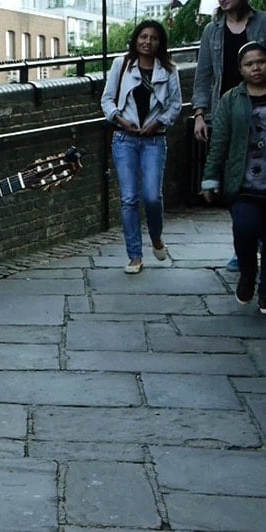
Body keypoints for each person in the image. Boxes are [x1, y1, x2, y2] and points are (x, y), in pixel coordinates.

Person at [101, 20, 182, 274]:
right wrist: (120, 119)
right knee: (128, 198)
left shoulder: (169, 69)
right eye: (143, 37)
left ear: (161, 42)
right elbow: (106, 99)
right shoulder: (121, 65)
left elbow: (175, 105)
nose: (148, 42)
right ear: (136, 39)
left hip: (154, 140)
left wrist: (157, 122)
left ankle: (156, 236)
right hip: (124, 139)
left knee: (151, 195)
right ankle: (134, 256)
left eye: (154, 38)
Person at [191, 0, 266, 271]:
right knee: (235, 181)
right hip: (228, 112)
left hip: (260, 108)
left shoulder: (262, 22)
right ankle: (243, 246)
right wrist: (200, 113)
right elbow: (204, 73)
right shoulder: (212, 30)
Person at [201, 40, 266, 313]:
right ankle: (248, 274)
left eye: (261, 62)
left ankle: (265, 290)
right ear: (240, 69)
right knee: (244, 231)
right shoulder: (231, 99)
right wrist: (210, 178)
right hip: (243, 182)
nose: (256, 68)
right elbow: (219, 142)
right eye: (249, 64)